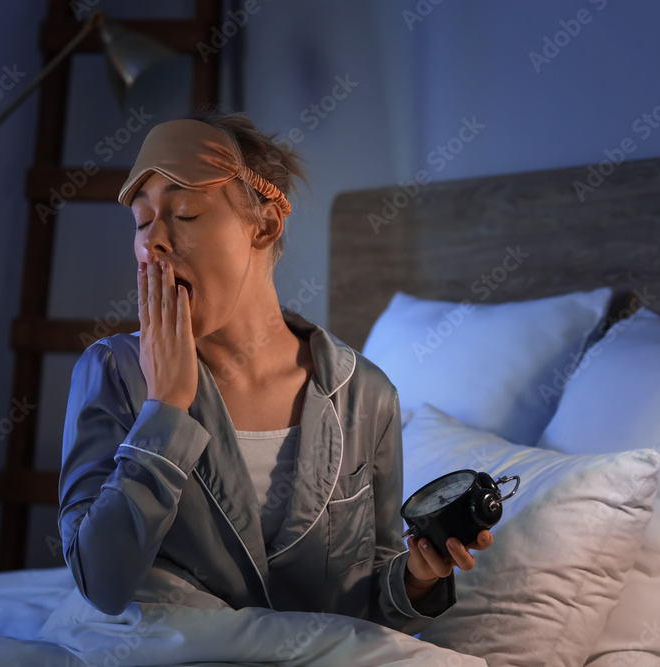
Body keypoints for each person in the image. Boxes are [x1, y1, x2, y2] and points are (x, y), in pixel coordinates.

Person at [56, 110, 494, 636]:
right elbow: (100, 582)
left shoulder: (366, 395)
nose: (153, 242)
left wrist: (419, 578)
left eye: (186, 214)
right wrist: (165, 409)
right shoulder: (113, 372)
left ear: (263, 225)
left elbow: (373, 603)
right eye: (142, 221)